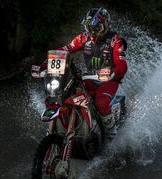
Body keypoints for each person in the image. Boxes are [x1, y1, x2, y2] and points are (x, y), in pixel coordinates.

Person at [43, 7, 128, 136]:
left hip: (108, 80)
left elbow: (122, 63)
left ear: (105, 26)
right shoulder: (83, 38)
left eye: (96, 28)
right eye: (89, 28)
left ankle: (111, 135)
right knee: (64, 93)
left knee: (101, 103)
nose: (92, 32)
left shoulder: (114, 40)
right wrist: (46, 62)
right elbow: (65, 49)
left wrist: (113, 73)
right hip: (90, 77)